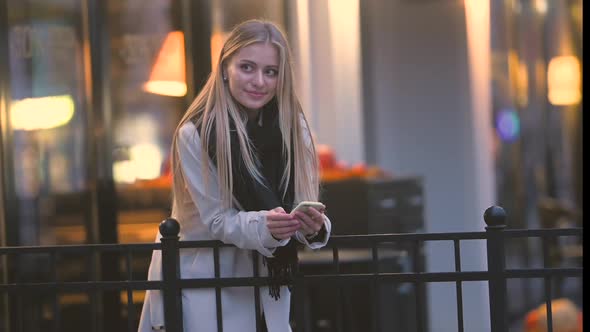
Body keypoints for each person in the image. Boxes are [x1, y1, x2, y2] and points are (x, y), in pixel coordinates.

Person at [138, 19, 331, 332]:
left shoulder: (294, 129)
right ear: (225, 66)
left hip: (268, 287)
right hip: (206, 286)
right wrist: (268, 225)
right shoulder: (196, 133)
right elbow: (217, 220)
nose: (259, 81)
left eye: (271, 71)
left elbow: (299, 206)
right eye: (247, 67)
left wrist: (312, 228)